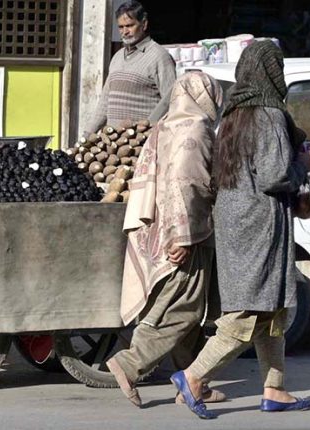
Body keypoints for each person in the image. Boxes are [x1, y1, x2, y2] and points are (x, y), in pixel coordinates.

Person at [171, 41, 310, 420]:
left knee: (271, 312)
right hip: (259, 226)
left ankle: (275, 388)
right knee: (247, 314)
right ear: (273, 71)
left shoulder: (234, 113)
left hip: (237, 222)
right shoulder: (269, 113)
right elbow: (274, 174)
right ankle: (192, 377)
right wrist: (304, 166)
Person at [105, 72, 226, 408]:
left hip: (161, 230)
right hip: (185, 233)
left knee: (187, 310)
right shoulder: (197, 130)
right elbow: (187, 186)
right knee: (183, 309)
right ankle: (130, 364)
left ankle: (194, 381)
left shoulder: (166, 126)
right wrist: (184, 236)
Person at [84, 1, 176, 134]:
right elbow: (104, 104)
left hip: (141, 144)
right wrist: (86, 136)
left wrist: (146, 130)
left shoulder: (159, 57)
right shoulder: (117, 57)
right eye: (121, 27)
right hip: (113, 145)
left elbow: (171, 101)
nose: (125, 32)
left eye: (129, 26)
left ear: (144, 24)